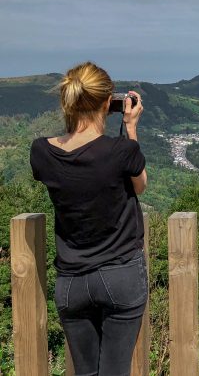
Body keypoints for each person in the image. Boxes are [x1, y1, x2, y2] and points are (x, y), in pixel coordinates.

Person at [29, 62, 148, 376]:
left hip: (72, 284)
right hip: (121, 274)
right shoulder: (122, 151)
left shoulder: (42, 153)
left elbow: (72, 160)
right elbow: (140, 185)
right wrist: (131, 128)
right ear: (108, 103)